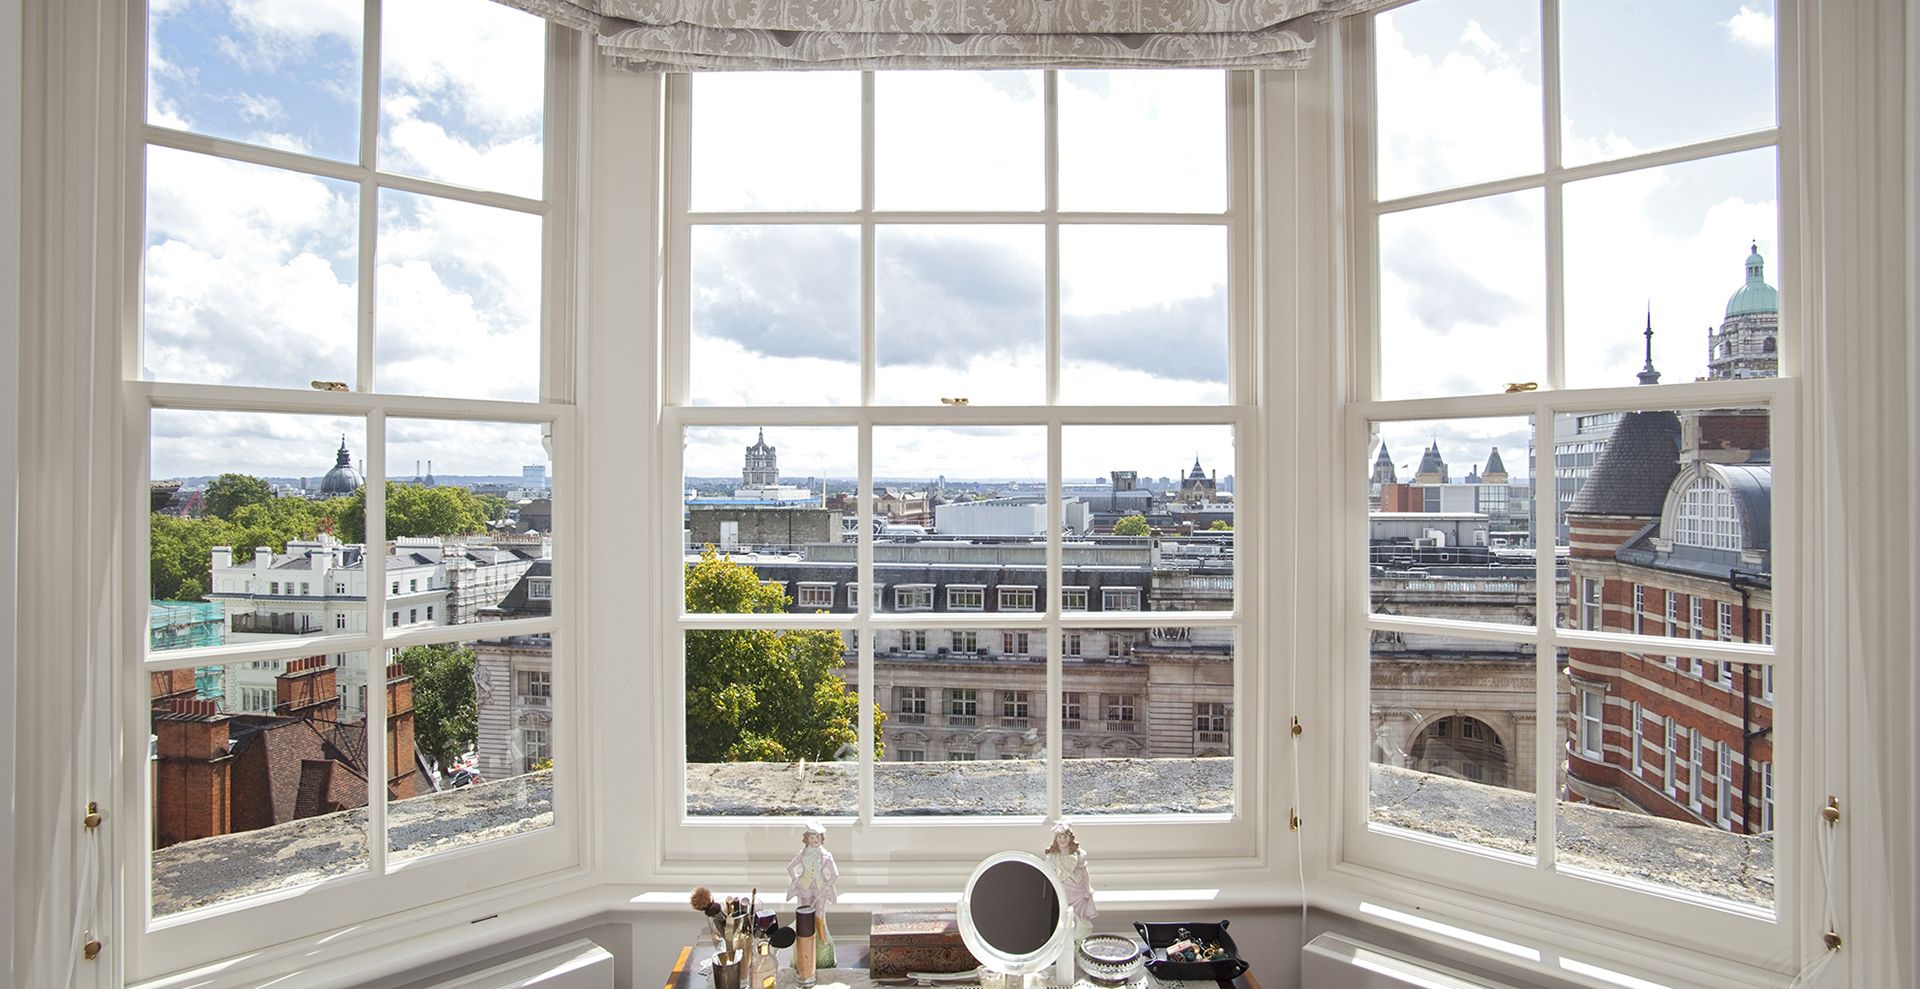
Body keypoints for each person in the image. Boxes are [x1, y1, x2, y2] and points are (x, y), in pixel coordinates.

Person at [786, 821, 839, 968]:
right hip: (804, 888)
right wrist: (796, 880)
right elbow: (790, 867)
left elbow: (835, 874)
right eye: (812, 837)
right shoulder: (802, 854)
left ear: (822, 838)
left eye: (817, 837)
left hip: (819, 889)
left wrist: (827, 886)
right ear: (807, 838)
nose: (815, 840)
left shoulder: (826, 856)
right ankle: (804, 949)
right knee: (804, 919)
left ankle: (822, 940)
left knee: (819, 917)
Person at [1044, 821, 1096, 941]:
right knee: (1063, 915)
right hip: (1062, 890)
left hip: (1077, 890)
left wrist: (1088, 888)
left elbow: (1084, 872)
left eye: (1065, 837)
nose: (1063, 840)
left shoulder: (1078, 854)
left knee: (1079, 917)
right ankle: (1064, 940)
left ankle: (1078, 940)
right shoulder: (1053, 856)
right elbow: (1049, 875)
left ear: (1070, 838)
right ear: (1056, 839)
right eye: (1060, 837)